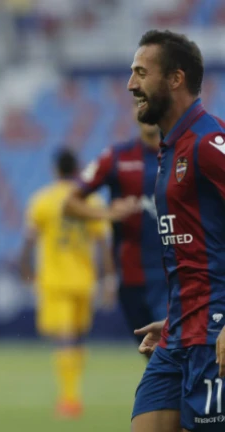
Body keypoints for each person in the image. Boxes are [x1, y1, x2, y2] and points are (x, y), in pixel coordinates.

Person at [129, 30, 225, 432]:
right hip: (178, 334)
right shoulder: (171, 148)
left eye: (141, 73)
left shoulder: (209, 141)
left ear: (175, 79)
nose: (131, 84)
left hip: (214, 335)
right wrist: (176, 319)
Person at [20, 148, 114, 419]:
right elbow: (103, 244)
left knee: (64, 339)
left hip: (55, 281)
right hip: (84, 279)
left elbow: (29, 241)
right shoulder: (91, 199)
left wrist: (25, 270)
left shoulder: (42, 200)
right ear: (78, 169)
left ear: (55, 170)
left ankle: (69, 398)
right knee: (78, 338)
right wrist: (108, 278)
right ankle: (73, 394)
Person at [64, 104, 166, 352]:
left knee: (171, 355)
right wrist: (108, 213)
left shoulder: (185, 152)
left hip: (175, 278)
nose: (145, 108)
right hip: (131, 278)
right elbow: (70, 203)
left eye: (150, 101)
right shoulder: (117, 157)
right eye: (139, 102)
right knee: (151, 355)